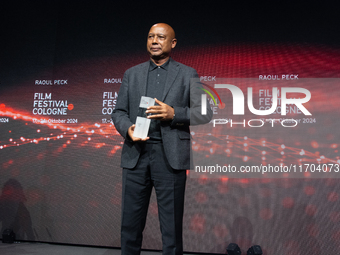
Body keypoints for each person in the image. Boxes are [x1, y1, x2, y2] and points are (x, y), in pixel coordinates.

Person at [112, 23, 212, 255]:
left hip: (170, 158)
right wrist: (128, 129)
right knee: (130, 224)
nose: (154, 41)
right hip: (136, 155)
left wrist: (174, 113)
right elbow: (118, 112)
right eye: (150, 37)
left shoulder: (188, 74)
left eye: (160, 37)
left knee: (171, 226)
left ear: (172, 43)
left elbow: (204, 112)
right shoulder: (132, 73)